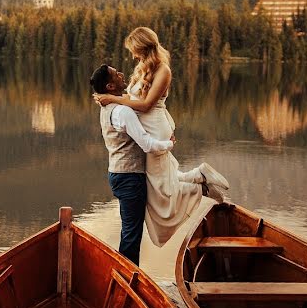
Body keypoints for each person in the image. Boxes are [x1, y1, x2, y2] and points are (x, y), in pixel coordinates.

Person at [93, 27, 229, 248]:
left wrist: (113, 99)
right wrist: (112, 99)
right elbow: (134, 99)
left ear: (143, 47)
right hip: (144, 129)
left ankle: (200, 186)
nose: (133, 56)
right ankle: (198, 177)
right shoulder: (142, 68)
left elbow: (146, 105)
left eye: (134, 50)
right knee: (159, 183)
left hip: (155, 128)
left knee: (162, 190)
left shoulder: (163, 70)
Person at [90, 64, 214, 264]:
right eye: (116, 74)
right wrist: (169, 144)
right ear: (110, 86)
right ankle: (128, 278)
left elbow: (139, 103)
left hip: (119, 174)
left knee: (133, 228)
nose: (122, 74)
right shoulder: (123, 112)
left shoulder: (110, 107)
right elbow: (147, 144)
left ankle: (200, 184)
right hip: (130, 177)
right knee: (132, 233)